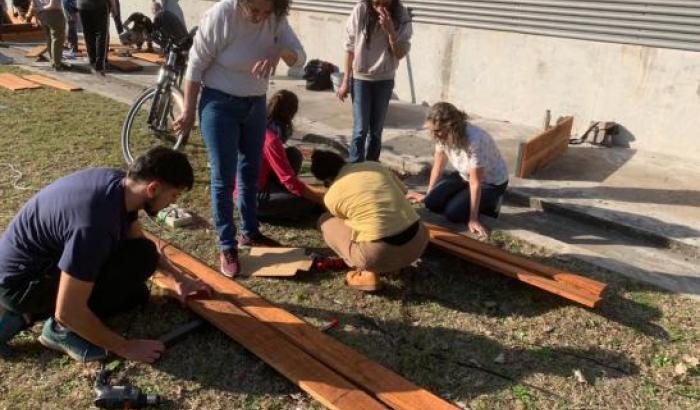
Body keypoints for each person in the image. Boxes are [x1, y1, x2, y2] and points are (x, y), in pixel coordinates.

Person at [0, 147, 210, 362]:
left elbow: (138, 241)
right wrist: (125, 347)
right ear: (153, 188)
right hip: (21, 284)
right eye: (173, 195)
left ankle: (26, 312)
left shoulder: (121, 186)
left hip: (35, 265)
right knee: (85, 305)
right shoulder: (94, 226)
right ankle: (54, 329)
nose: (172, 203)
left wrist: (180, 280)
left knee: (140, 267)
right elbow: (69, 310)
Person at [173, 0, 306, 278]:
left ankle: (250, 233)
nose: (259, 17)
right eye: (254, 10)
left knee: (251, 170)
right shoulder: (222, 15)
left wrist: (279, 53)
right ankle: (227, 244)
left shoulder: (276, 18)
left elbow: (300, 57)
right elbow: (195, 66)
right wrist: (187, 111)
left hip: (255, 104)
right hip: (219, 104)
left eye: (265, 11)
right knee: (223, 177)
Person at [312, 150, 429, 292]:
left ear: (326, 180)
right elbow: (403, 191)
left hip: (378, 256)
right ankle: (395, 264)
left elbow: (346, 222)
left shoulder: (331, 196)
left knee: (324, 221)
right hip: (419, 241)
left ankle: (367, 273)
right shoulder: (374, 166)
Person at [406, 102, 509, 237]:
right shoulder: (440, 134)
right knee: (431, 203)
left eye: (437, 130)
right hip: (464, 175)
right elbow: (438, 166)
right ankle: (462, 197)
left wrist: (473, 219)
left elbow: (475, 182)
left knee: (453, 214)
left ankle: (492, 202)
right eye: (432, 130)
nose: (434, 134)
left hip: (489, 182)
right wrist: (429, 194)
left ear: (451, 126)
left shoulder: (475, 140)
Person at [233, 89, 324, 230]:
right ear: (290, 114)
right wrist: (319, 197)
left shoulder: (256, 124)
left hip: (246, 186)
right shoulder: (271, 140)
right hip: (251, 196)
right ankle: (269, 210)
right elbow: (290, 181)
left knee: (293, 154)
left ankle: (280, 197)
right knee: (306, 202)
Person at [337, 0, 412, 163]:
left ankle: (371, 167)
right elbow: (349, 47)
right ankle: (355, 168)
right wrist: (345, 81)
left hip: (384, 79)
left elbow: (400, 53)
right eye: (375, 3)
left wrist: (391, 31)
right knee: (360, 129)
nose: (379, 7)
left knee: (376, 131)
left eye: (384, 3)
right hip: (361, 78)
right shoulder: (361, 10)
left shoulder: (401, 15)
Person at [26, 0, 68, 71]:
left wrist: (33, 15)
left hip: (41, 15)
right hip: (54, 14)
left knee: (49, 39)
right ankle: (57, 64)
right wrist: (40, 9)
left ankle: (54, 62)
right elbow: (53, 5)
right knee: (57, 39)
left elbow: (33, 4)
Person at [77, 0, 116, 75]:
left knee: (88, 34)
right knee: (101, 34)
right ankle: (99, 66)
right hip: (99, 4)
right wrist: (114, 7)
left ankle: (92, 62)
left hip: (82, 4)